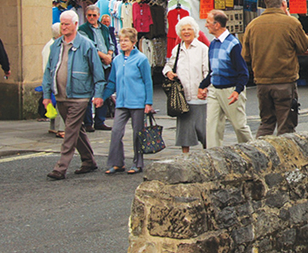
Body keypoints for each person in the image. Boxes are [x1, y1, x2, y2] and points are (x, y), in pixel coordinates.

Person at [42, 10, 106, 180]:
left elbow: (98, 74)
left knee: (70, 130)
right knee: (77, 130)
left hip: (80, 95)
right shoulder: (55, 46)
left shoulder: (86, 45)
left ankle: (61, 167)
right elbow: (49, 71)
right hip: (61, 95)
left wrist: (98, 95)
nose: (63, 27)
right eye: (62, 24)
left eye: (66, 24)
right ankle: (88, 160)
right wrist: (47, 95)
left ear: (76, 24)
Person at [242, 0, 308, 136]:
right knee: (286, 126)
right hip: (285, 81)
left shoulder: (253, 25)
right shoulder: (290, 23)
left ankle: (260, 155)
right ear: (284, 4)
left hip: (262, 81)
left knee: (266, 123)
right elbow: (304, 46)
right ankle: (285, 158)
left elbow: (246, 56)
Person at [197, 10, 253, 147]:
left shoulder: (233, 44)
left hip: (231, 89)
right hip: (215, 89)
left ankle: (252, 149)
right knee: (212, 126)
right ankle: (213, 156)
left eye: (208, 22)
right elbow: (213, 70)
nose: (206, 25)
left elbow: (243, 72)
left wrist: (237, 90)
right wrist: (203, 85)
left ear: (217, 25)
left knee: (239, 126)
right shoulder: (214, 44)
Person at [102, 27, 153, 175]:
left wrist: (148, 103)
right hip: (121, 103)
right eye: (121, 41)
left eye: (126, 40)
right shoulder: (117, 60)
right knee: (116, 132)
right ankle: (116, 163)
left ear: (133, 42)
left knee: (138, 133)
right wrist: (101, 97)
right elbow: (112, 82)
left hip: (138, 102)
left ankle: (138, 163)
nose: (123, 43)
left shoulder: (141, 59)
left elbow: (147, 82)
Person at [163, 16, 209, 156]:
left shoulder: (202, 48)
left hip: (199, 93)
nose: (186, 32)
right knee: (184, 129)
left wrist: (205, 87)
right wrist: (168, 72)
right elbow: (168, 65)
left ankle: (208, 153)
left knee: (202, 128)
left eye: (189, 29)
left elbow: (207, 70)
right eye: (183, 29)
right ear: (179, 32)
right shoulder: (177, 49)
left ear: (195, 31)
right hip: (182, 96)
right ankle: (185, 156)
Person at [78, 4, 113, 132]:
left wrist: (109, 54)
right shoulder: (83, 29)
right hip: (92, 64)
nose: (92, 18)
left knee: (104, 92)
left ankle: (100, 120)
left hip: (105, 64)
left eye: (94, 15)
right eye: (89, 15)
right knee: (89, 92)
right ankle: (88, 122)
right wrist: (103, 56)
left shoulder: (104, 28)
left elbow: (110, 43)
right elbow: (90, 46)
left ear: (98, 16)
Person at [42, 23, 65, 138]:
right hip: (54, 79)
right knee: (60, 103)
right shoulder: (54, 46)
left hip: (51, 78)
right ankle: (61, 129)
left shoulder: (49, 45)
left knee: (54, 102)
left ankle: (53, 127)